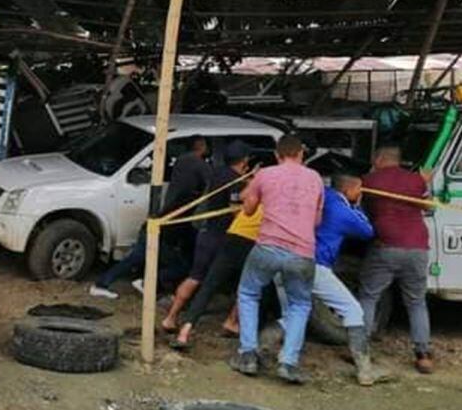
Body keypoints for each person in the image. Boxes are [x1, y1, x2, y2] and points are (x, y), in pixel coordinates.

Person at [266, 174, 390, 385]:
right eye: (359, 190)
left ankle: (259, 350)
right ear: (350, 190)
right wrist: (358, 206)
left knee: (294, 314)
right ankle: (365, 370)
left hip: (283, 258)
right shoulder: (343, 211)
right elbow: (368, 231)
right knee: (353, 310)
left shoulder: (320, 196)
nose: (361, 193)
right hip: (314, 266)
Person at [230, 135, 324, 385]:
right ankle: (288, 362)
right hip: (302, 252)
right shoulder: (315, 178)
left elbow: (248, 210)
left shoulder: (265, 174)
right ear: (301, 153)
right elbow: (316, 221)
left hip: (268, 247)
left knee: (249, 294)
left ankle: (248, 354)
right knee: (300, 305)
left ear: (276, 154)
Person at [90, 136, 211, 299]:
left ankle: (102, 284)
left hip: (152, 227)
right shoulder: (192, 195)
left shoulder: (181, 164)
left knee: (134, 259)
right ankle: (146, 283)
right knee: (181, 265)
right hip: (160, 235)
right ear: (201, 147)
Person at [358, 145, 434, 374]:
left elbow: (362, 209)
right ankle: (423, 354)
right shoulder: (415, 181)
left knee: (369, 296)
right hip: (418, 247)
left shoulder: (369, 180)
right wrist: (424, 183)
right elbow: (429, 207)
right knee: (417, 302)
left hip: (386, 245)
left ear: (378, 159)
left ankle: (361, 349)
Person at [161, 140, 251, 332]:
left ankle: (171, 317)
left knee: (194, 277)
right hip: (223, 238)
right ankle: (232, 322)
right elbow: (237, 211)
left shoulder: (216, 173)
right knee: (245, 283)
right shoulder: (236, 182)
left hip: (205, 233)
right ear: (244, 161)